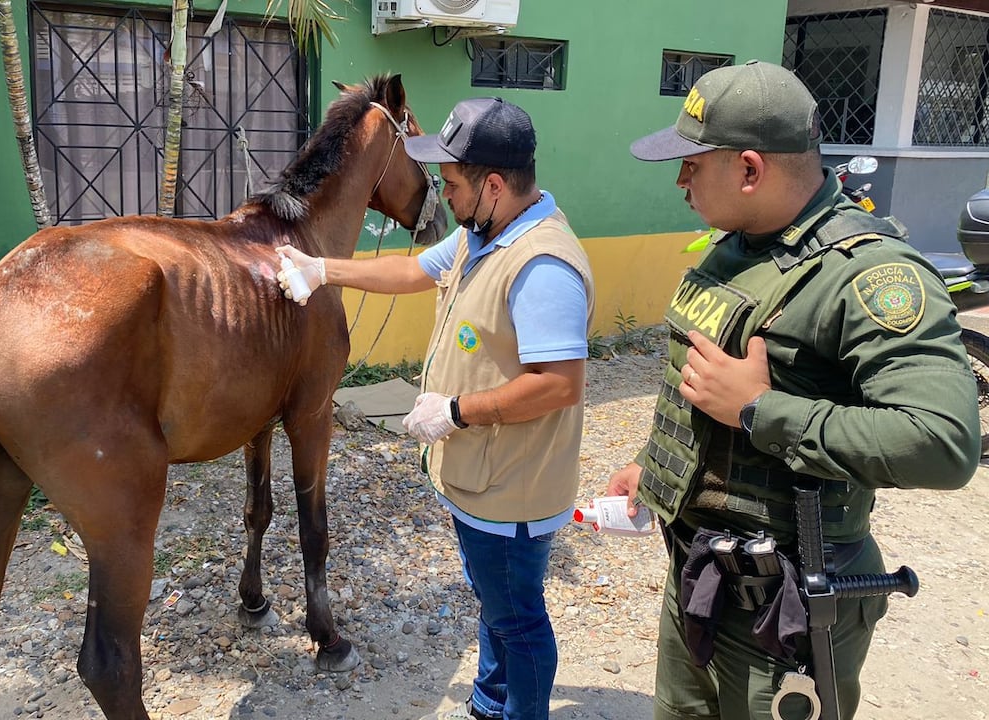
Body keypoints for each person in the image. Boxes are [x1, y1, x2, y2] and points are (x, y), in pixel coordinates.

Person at [609, 60, 980, 720]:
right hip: (700, 571)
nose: (680, 179)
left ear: (750, 170)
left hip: (781, 610)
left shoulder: (870, 276)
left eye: (694, 164)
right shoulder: (748, 246)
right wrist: (657, 466)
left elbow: (944, 444)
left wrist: (759, 409)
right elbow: (703, 390)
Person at [276, 97, 593, 720]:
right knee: (495, 605)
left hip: (514, 488)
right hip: (483, 480)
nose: (442, 194)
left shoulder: (541, 264)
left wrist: (456, 410)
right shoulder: (485, 233)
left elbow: (559, 385)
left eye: (450, 183)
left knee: (518, 619)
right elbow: (412, 271)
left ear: (493, 185)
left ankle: (517, 711)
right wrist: (321, 270)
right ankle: (489, 703)